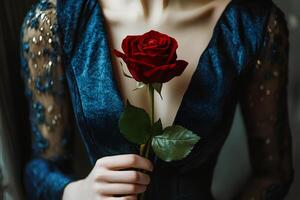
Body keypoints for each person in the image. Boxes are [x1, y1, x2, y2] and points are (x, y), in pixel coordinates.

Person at [19, 0, 294, 199]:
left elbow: (273, 174)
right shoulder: (54, 21)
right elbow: (41, 168)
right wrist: (74, 192)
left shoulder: (254, 26)